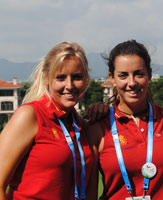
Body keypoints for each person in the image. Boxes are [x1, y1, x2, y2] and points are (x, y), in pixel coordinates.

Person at [87, 40, 163, 200]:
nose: (132, 82)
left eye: (139, 74)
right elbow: (89, 192)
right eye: (123, 75)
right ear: (111, 78)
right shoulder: (98, 126)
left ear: (149, 74)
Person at [0, 42, 95, 200]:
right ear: (46, 79)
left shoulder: (79, 124)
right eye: (61, 78)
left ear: (86, 80)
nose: (69, 85)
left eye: (77, 77)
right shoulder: (30, 115)